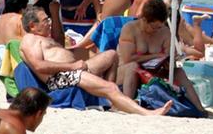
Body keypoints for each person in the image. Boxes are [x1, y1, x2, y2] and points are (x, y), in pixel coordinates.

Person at [18, 6, 168, 116]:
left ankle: (113, 103)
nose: (49, 22)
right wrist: (71, 67)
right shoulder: (30, 40)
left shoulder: (43, 38)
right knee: (110, 87)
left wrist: (56, 13)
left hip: (74, 70)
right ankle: (147, 113)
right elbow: (39, 65)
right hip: (60, 78)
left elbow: (59, 42)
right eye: (45, 20)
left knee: (111, 55)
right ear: (32, 26)